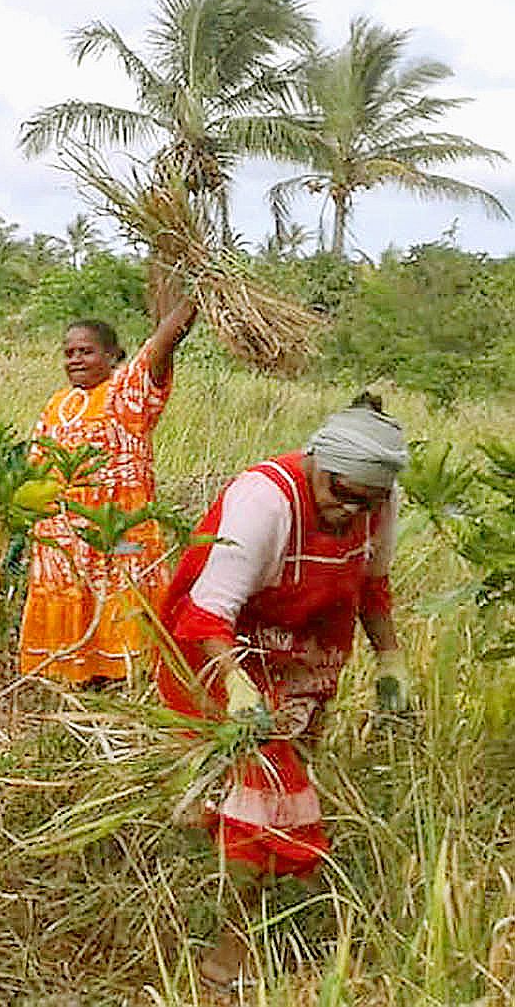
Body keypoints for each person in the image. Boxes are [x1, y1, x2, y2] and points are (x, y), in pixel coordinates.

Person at [155, 396, 412, 989]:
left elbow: (373, 588)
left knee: (270, 788)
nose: (348, 509)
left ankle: (214, 889)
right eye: (339, 491)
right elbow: (207, 613)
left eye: (364, 501)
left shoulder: (379, 501)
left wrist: (390, 658)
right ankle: (228, 954)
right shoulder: (264, 500)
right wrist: (239, 685)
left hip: (307, 659)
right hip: (223, 649)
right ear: (317, 460)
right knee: (262, 802)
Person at [17, 289, 197, 685]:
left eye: (87, 352)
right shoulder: (58, 402)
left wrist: (195, 293)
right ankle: (73, 692)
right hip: (61, 540)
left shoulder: (125, 394)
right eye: (69, 353)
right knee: (70, 621)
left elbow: (162, 344)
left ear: (114, 357)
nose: (76, 360)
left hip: (115, 532)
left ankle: (121, 688)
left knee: (118, 607)